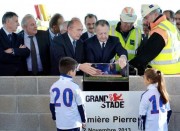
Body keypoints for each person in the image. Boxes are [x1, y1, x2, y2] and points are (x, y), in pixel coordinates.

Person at [129, 4, 180, 75]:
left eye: (147, 17)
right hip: (175, 73)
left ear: (155, 14)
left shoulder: (160, 30)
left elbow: (145, 55)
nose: (146, 21)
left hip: (164, 75)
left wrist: (128, 66)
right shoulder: (171, 27)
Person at [49, 57, 86, 131]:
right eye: (75, 70)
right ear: (70, 72)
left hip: (60, 124)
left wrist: (54, 117)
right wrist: (83, 120)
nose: (75, 72)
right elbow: (80, 106)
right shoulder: (75, 86)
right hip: (73, 123)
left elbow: (51, 106)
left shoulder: (53, 86)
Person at [0, 12, 30, 76]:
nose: (18, 24)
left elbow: (27, 52)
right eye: (16, 21)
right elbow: (2, 56)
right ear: (8, 22)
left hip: (20, 75)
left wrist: (13, 50)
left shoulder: (18, 37)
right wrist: (19, 52)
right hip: (4, 77)